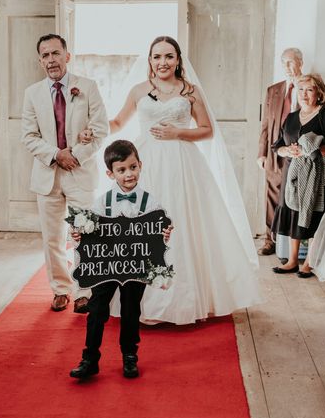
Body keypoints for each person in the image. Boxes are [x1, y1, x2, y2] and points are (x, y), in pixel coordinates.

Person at [109, 36, 262, 324]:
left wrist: (178, 133)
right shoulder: (139, 90)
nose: (162, 62)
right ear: (150, 59)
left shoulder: (191, 92)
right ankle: (138, 299)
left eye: (169, 56)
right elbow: (117, 123)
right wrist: (90, 126)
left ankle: (181, 300)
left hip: (183, 164)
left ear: (178, 59)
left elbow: (207, 130)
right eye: (157, 57)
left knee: (182, 224)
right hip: (145, 163)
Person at [69, 140, 172, 379]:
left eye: (133, 167)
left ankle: (129, 356)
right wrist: (79, 232)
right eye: (122, 170)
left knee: (130, 311)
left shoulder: (150, 201)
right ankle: (90, 358)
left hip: (136, 266)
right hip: (107, 265)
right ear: (110, 173)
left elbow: (157, 232)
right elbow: (89, 228)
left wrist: (164, 233)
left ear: (140, 166)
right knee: (97, 309)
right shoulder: (102, 201)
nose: (129, 174)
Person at [21, 34, 108, 313]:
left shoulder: (88, 87)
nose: (51, 60)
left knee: (84, 232)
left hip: (80, 173)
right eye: (45, 55)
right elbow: (29, 136)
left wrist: (76, 156)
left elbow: (100, 129)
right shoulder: (32, 93)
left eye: (55, 53)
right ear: (40, 61)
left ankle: (83, 290)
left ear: (67, 56)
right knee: (53, 237)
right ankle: (60, 289)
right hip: (48, 174)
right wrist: (57, 155)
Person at [271, 74, 325, 278]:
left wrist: (312, 149)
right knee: (293, 211)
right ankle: (292, 260)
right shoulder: (291, 117)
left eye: (309, 90)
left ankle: (308, 263)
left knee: (313, 214)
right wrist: (287, 151)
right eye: (301, 90)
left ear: (318, 93)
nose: (304, 94)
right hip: (291, 172)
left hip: (315, 175)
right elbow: (277, 145)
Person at [257, 48, 304, 255]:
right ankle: (270, 239)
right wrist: (262, 153)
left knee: (294, 197)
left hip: (299, 151)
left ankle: (294, 245)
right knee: (272, 196)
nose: (287, 67)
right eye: (283, 62)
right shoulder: (274, 90)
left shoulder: (309, 86)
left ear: (300, 62)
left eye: (291, 62)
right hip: (275, 151)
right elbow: (265, 124)